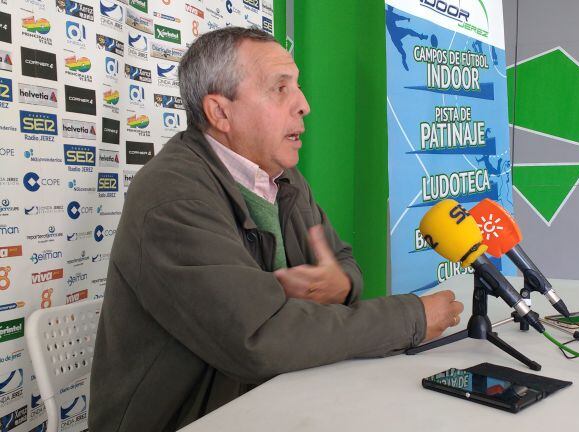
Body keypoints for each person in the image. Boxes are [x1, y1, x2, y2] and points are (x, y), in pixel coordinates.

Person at [89, 27, 463, 431]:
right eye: (280, 89)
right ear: (220, 112)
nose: (304, 105)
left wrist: (341, 285)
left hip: (275, 395)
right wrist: (408, 318)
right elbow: (260, 338)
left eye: (297, 87)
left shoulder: (282, 177)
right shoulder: (170, 198)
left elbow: (342, 261)